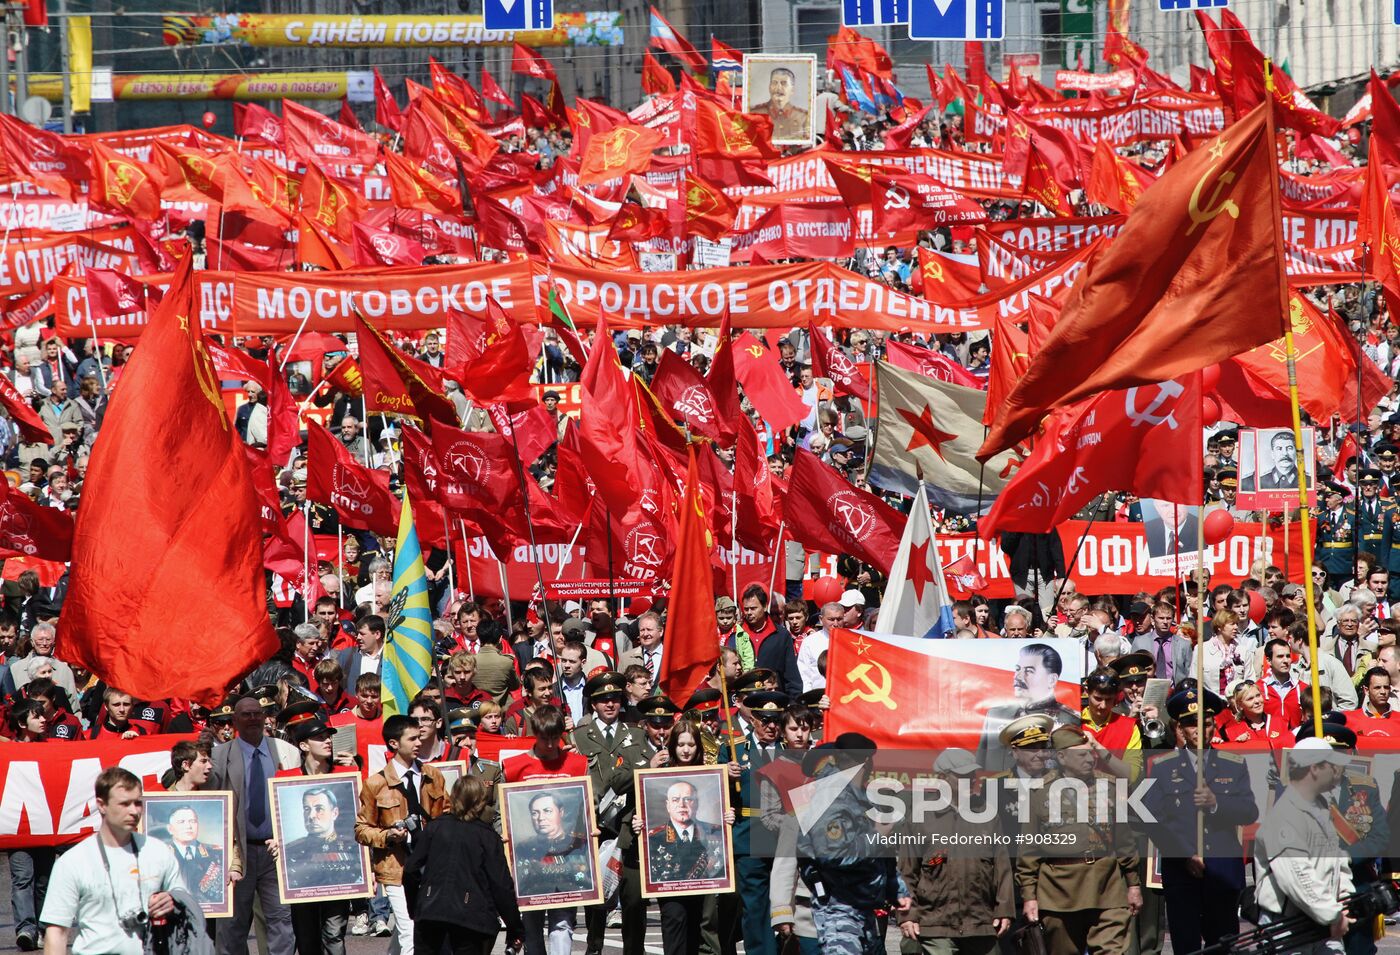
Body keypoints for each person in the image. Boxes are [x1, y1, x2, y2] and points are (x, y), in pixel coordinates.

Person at [1141, 689, 1257, 954]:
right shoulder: (1162, 767)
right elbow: (1151, 819)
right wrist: (1184, 854)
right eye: (1192, 724)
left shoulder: (1233, 764)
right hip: (1182, 871)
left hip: (1222, 872)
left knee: (1223, 945)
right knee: (1186, 945)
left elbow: (1249, 811)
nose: (1199, 730)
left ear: (1214, 725)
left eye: (1205, 723)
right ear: (1180, 728)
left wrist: (1216, 804)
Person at [1016, 726, 1142, 955]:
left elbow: (1125, 841)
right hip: (1058, 892)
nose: (1090, 758)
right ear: (1061, 757)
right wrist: (1029, 896)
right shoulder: (1038, 792)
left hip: (1107, 887)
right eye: (1081, 754)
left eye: (1090, 752)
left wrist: (1133, 884)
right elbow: (1029, 849)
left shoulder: (1109, 787)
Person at [40, 767, 193, 955]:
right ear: (101, 805)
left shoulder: (158, 851)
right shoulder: (73, 861)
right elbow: (57, 932)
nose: (134, 811)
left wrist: (172, 900)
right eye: (124, 804)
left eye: (138, 803)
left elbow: (184, 899)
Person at [204, 693, 300, 955]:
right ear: (235, 720)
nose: (253, 718)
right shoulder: (218, 756)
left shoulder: (286, 752)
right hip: (238, 853)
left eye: (257, 713)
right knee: (232, 924)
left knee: (281, 921)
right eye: (245, 714)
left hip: (275, 851)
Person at [1252, 735, 1357, 952]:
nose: (1338, 771)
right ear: (1314, 769)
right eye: (1332, 765)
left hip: (1324, 920)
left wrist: (1345, 901)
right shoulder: (1285, 816)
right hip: (1289, 929)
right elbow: (1298, 878)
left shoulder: (1321, 808)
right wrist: (1333, 914)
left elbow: (1338, 860)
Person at [355, 713, 448, 955]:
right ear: (394, 743)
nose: (419, 743)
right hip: (397, 868)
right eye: (412, 739)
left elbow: (447, 816)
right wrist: (388, 836)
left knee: (415, 929)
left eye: (420, 738)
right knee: (411, 931)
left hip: (431, 865)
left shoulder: (432, 776)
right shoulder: (376, 784)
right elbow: (361, 829)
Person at [403, 775, 525, 955]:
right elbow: (501, 886)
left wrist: (415, 908)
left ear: (453, 797)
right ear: (481, 801)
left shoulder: (434, 828)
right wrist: (515, 928)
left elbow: (410, 870)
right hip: (472, 919)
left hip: (430, 914)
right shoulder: (488, 837)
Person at [503, 705, 590, 955]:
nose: (550, 744)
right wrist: (505, 837)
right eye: (544, 738)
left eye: (555, 738)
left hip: (568, 854)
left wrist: (590, 832)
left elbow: (588, 807)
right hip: (530, 858)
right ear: (534, 733)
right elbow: (504, 811)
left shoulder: (577, 764)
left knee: (563, 922)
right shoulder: (514, 767)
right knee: (531, 923)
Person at [977, 643, 1080, 771]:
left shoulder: (1069, 720)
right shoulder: (996, 715)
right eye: (1018, 669)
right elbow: (980, 768)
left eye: (1029, 671)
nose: (1018, 676)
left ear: (1052, 680)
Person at [162, 804, 227, 912]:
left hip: (209, 913)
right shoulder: (161, 854)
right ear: (170, 829)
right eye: (181, 822)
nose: (188, 826)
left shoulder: (217, 853)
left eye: (193, 821)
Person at [750, 66, 810, 142]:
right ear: (769, 87)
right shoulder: (754, 113)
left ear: (792, 90)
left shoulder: (803, 116)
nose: (778, 88)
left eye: (784, 83)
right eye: (774, 83)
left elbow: (807, 143)